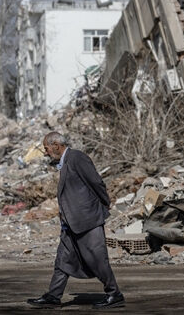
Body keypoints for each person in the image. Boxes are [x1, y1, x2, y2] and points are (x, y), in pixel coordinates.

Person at [27, 132, 125, 309]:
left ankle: (114, 293)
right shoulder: (64, 162)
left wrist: (104, 205)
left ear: (56, 145)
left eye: (47, 148)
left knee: (97, 258)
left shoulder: (77, 158)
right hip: (71, 222)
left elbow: (96, 182)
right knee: (62, 260)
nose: (45, 152)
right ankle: (53, 296)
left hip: (87, 220)